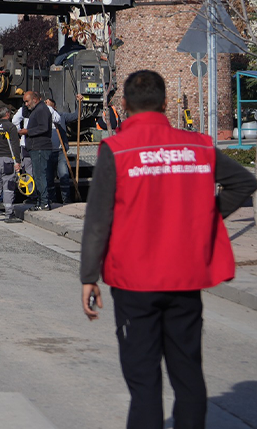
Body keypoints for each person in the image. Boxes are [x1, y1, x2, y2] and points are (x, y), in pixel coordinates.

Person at [80, 70, 255, 429]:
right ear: (165, 103)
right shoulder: (199, 146)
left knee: (145, 383)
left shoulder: (117, 149)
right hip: (184, 279)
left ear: (124, 105)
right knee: (188, 375)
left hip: (134, 283)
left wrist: (89, 277)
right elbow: (243, 183)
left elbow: (98, 219)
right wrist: (205, 218)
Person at [18, 91, 54, 211]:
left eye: (27, 101)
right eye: (24, 102)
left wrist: (28, 132)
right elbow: (24, 112)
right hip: (35, 147)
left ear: (35, 99)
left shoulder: (42, 109)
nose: (26, 104)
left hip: (40, 147)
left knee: (39, 175)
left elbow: (44, 127)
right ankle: (40, 201)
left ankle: (44, 202)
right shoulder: (36, 109)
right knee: (37, 175)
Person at [45, 97, 73, 204]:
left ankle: (66, 199)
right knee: (49, 178)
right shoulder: (42, 118)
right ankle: (52, 200)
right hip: (48, 151)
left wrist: (80, 103)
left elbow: (76, 115)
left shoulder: (60, 116)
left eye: (50, 106)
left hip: (60, 152)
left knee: (64, 175)